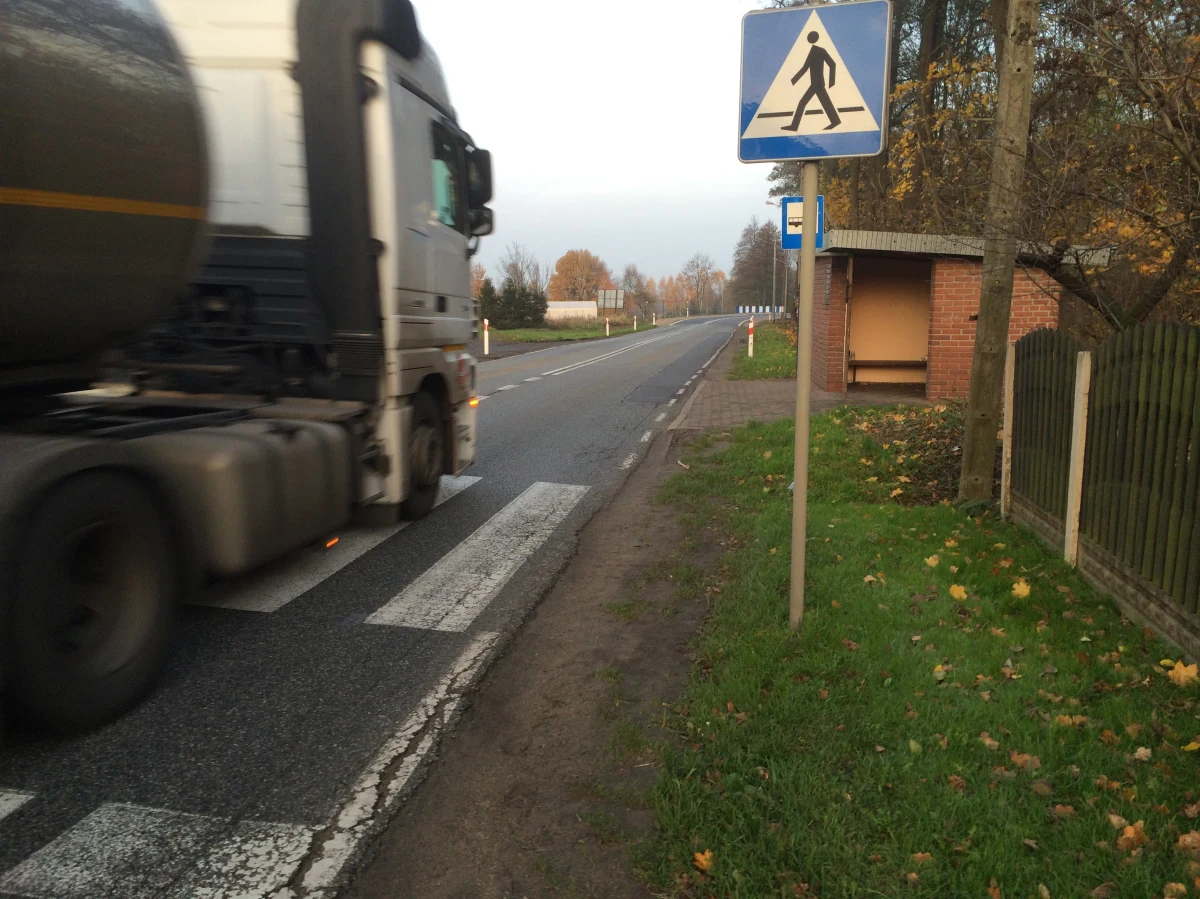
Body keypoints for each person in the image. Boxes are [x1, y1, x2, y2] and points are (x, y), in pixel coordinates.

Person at [782, 32, 840, 132]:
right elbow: (806, 68)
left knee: (802, 103)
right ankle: (835, 121)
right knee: (826, 103)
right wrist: (794, 80)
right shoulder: (815, 51)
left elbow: (832, 64)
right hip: (817, 83)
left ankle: (794, 126)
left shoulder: (817, 51)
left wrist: (832, 82)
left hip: (816, 84)